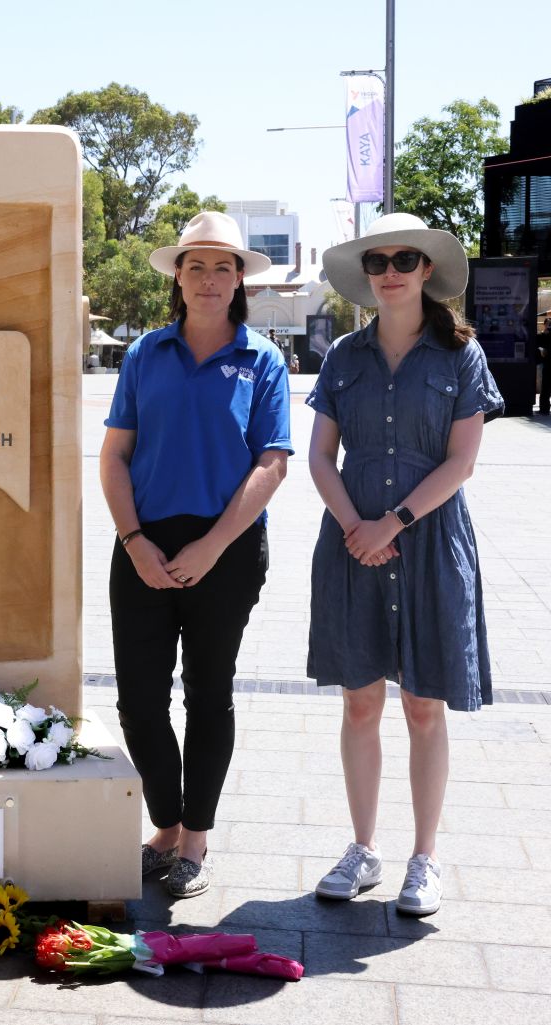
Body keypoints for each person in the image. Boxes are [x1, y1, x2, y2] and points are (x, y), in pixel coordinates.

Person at [307, 213, 503, 916]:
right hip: (353, 543)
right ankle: (363, 850)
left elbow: (463, 461)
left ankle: (425, 858)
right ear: (368, 273)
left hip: (428, 544)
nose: (390, 268)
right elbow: (319, 458)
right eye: (378, 259)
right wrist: (354, 525)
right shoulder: (343, 359)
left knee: (424, 704)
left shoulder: (460, 357)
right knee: (360, 701)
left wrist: (393, 521)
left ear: (426, 270)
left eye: (405, 258)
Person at [100, 212, 292, 898]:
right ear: (177, 277)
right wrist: (134, 541)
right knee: (139, 702)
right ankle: (167, 821)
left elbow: (272, 465)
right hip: (143, 543)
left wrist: (213, 546)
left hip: (228, 549)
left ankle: (195, 837)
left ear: (240, 278)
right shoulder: (144, 354)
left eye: (222, 266)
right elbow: (115, 456)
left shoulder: (262, 360)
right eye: (196, 266)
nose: (209, 279)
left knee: (210, 695)